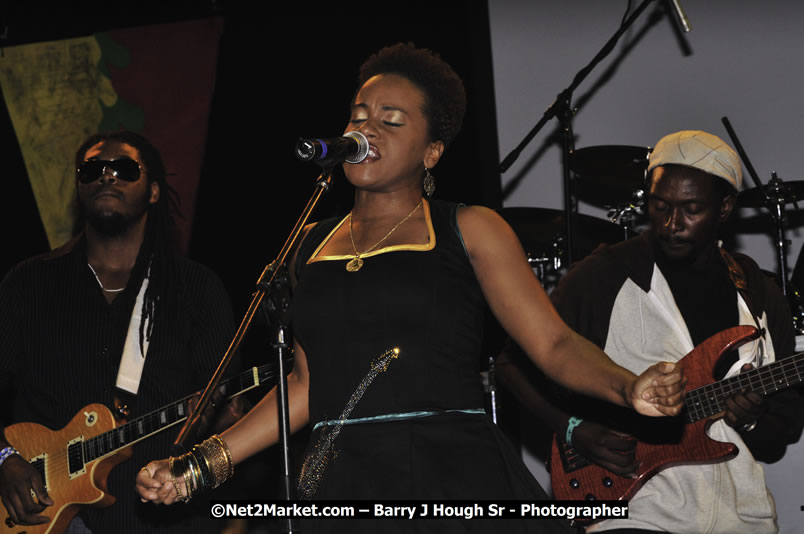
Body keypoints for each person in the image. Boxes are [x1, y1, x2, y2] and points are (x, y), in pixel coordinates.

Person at [136, 44, 685, 533]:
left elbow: (553, 344)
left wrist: (627, 387)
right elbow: (306, 385)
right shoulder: (306, 244)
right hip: (343, 481)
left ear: (432, 152)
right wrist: (201, 466)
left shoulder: (468, 228)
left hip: (449, 475)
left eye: (391, 120)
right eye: (359, 115)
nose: (366, 129)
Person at [498, 130, 804, 533]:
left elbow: (781, 433)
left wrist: (752, 419)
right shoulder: (606, 274)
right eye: (660, 206)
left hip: (743, 519)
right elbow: (512, 365)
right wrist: (574, 430)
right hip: (635, 513)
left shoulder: (757, 291)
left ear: (725, 208)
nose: (672, 224)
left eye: (691, 209)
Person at [0, 131, 243, 533]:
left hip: (166, 519)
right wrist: (5, 458)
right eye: (93, 169)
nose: (107, 176)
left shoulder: (197, 288)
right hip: (48, 520)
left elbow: (227, 412)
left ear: (153, 192)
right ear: (79, 188)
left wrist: (225, 418)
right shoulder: (27, 283)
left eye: (125, 169)